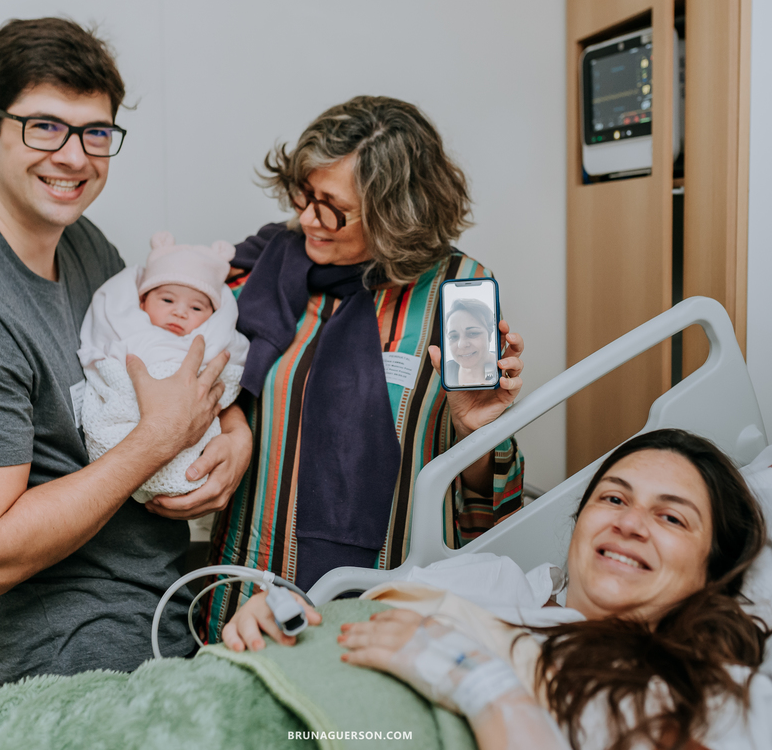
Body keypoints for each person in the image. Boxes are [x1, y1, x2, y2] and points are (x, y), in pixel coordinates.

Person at [0, 18, 252, 695]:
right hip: (75, 657)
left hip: (171, 604)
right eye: (45, 126)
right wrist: (157, 438)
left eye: (95, 133)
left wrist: (232, 431)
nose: (75, 157)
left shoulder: (80, 244)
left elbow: (164, 356)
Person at [225, 429, 771, 750]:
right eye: (613, 499)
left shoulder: (708, 690)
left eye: (672, 519)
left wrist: (485, 687)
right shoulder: (493, 580)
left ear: (713, 568)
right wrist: (279, 620)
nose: (630, 524)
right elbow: (352, 626)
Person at [204, 95, 527, 635]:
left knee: (362, 723)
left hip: (395, 601)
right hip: (248, 588)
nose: (307, 218)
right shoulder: (262, 269)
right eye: (304, 193)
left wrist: (478, 436)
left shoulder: (461, 293)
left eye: (331, 206)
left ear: (397, 212)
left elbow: (489, 505)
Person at [77, 231, 250, 501]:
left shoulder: (209, 346)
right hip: (122, 447)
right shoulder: (125, 334)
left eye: (196, 308)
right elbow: (106, 371)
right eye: (167, 300)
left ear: (211, 317)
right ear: (142, 301)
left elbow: (223, 385)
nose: (180, 312)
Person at [443, 298, 500, 387]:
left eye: (473, 333)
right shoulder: (446, 370)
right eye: (453, 336)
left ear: (490, 335)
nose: (461, 345)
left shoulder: (501, 366)